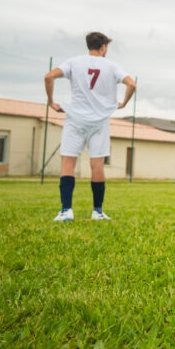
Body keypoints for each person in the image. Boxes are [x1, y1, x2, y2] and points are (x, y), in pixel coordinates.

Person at [44, 31, 136, 221]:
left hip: (75, 119)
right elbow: (131, 84)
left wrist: (51, 101)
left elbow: (48, 77)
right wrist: (124, 103)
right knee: (97, 165)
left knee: (68, 163)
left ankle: (66, 210)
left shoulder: (74, 62)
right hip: (99, 121)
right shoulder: (111, 66)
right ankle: (98, 211)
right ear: (103, 47)